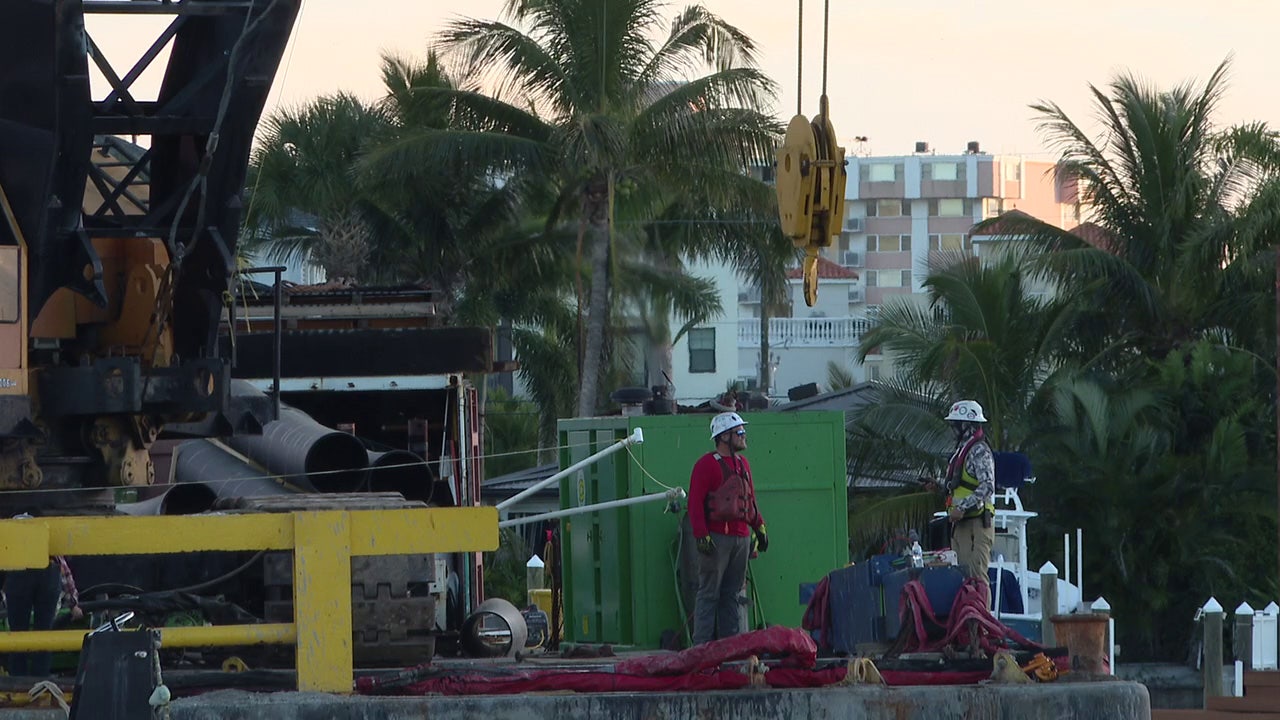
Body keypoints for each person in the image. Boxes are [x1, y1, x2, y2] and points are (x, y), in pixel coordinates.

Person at [686, 411, 768, 645]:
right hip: (717, 538)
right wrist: (701, 536)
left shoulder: (744, 464)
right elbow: (694, 504)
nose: (744, 436)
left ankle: (731, 648)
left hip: (741, 538)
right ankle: (701, 647)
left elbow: (749, 499)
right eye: (739, 432)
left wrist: (759, 526)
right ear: (724, 437)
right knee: (709, 593)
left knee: (732, 596)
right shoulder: (706, 465)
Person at [933, 400, 996, 607]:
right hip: (960, 525)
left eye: (956, 425)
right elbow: (959, 484)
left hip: (976, 523)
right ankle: (966, 626)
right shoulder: (961, 451)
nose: (953, 429)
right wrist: (937, 486)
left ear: (967, 425)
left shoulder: (979, 451)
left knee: (976, 576)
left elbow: (987, 486)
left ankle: (983, 628)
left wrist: (962, 507)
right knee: (960, 576)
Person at [3, 512, 81, 678]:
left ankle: (18, 680)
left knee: (18, 634)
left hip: (21, 581)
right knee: (44, 633)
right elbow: (64, 572)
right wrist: (73, 603)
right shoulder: (46, 545)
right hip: (44, 581)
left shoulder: (10, 545)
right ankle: (39, 678)